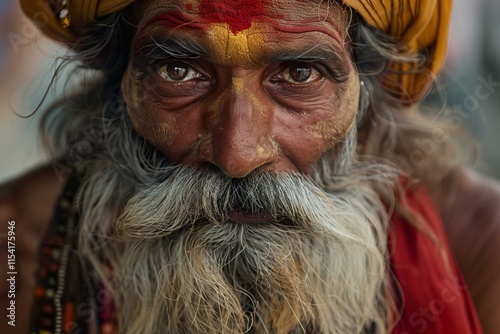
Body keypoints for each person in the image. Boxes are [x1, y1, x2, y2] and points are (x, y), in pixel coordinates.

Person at [1, 0, 499, 333]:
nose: (238, 153)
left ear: (367, 90)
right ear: (118, 88)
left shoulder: (481, 250)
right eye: (180, 72)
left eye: (299, 74)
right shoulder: (16, 244)